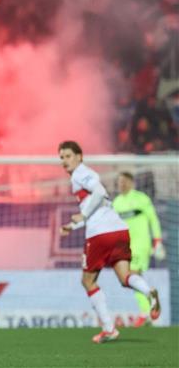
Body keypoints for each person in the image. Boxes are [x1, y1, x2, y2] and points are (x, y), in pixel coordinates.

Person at [58, 141, 160, 343]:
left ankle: (109, 329)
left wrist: (82, 215)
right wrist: (72, 225)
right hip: (119, 231)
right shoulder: (85, 176)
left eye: (68, 156)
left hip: (100, 234)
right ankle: (149, 292)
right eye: (61, 157)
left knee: (88, 281)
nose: (64, 161)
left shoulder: (80, 173)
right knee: (125, 277)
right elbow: (100, 204)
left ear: (79, 156)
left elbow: (97, 192)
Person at [112, 171, 166, 327]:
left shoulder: (141, 198)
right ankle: (151, 310)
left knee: (132, 274)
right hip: (125, 246)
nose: (121, 184)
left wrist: (157, 241)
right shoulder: (116, 203)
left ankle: (146, 311)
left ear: (131, 183)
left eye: (124, 181)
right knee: (129, 279)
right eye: (119, 182)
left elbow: (153, 219)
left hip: (141, 244)